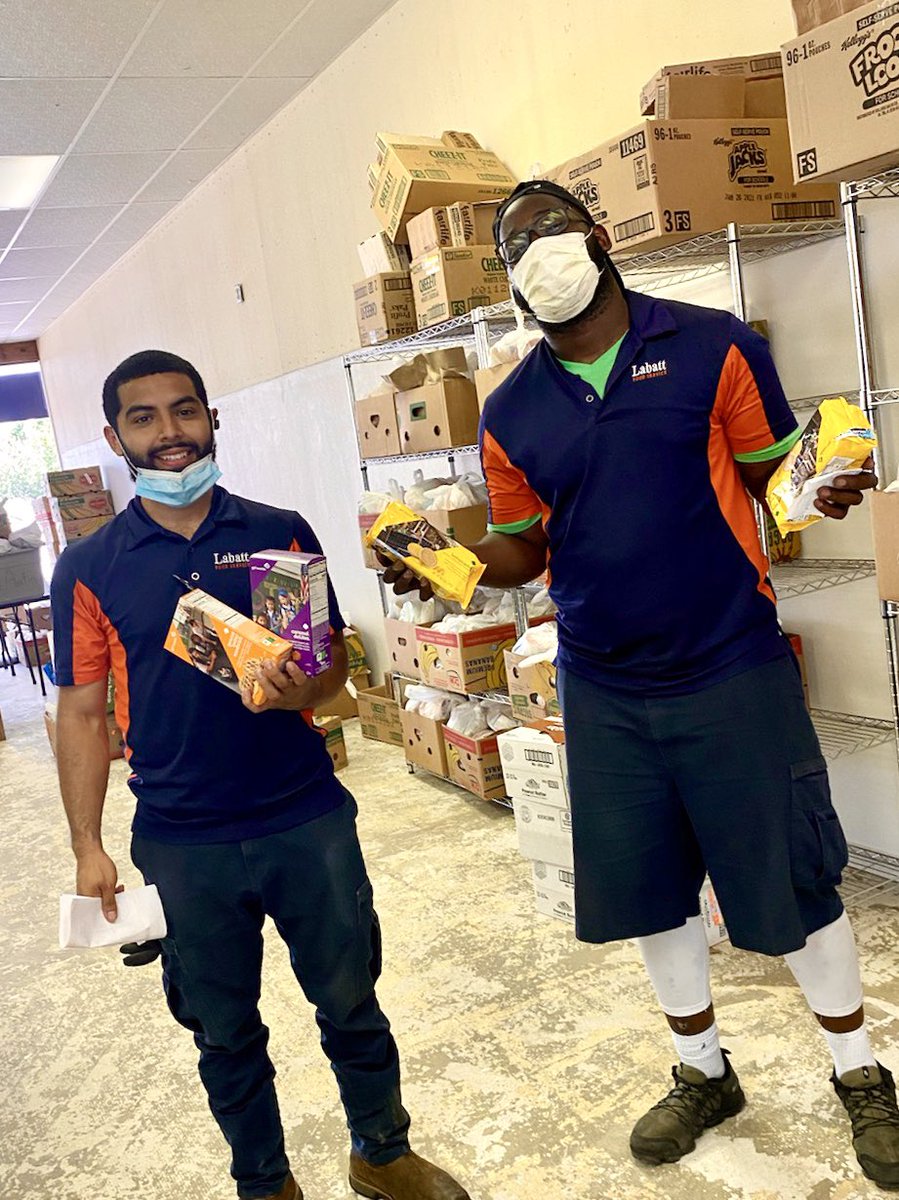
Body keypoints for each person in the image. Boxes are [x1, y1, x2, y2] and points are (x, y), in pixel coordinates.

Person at [384, 179, 899, 1190]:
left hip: (729, 663)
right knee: (652, 888)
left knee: (793, 877)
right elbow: (523, 548)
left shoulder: (712, 346)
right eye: (514, 246)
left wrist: (818, 483)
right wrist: (447, 565)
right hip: (603, 685)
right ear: (508, 280)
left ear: (597, 236)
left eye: (550, 228)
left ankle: (859, 1073)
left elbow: (774, 476)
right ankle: (701, 1071)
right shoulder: (511, 410)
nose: (537, 251)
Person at [51, 349, 469, 1200]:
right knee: (223, 1031)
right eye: (143, 417)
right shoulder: (89, 567)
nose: (169, 432)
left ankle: (381, 1153)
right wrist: (87, 844)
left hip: (303, 815)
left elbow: (332, 671)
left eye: (184, 410)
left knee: (351, 1002)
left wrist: (298, 691)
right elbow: (84, 714)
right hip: (181, 839)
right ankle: (264, 1182)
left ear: (211, 419)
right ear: (115, 436)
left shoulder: (279, 532)